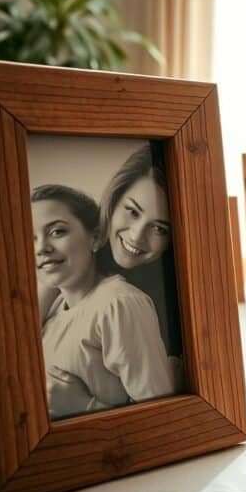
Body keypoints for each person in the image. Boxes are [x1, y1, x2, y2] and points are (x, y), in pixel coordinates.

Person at [32, 185, 178, 420]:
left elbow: (161, 420)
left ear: (96, 237)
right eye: (31, 237)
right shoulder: (54, 309)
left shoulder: (119, 305)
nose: (41, 248)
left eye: (57, 232)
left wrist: (84, 405)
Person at [95, 142, 182, 356]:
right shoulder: (75, 254)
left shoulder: (179, 293)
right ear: (114, 200)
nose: (136, 236)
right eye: (133, 212)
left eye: (159, 229)